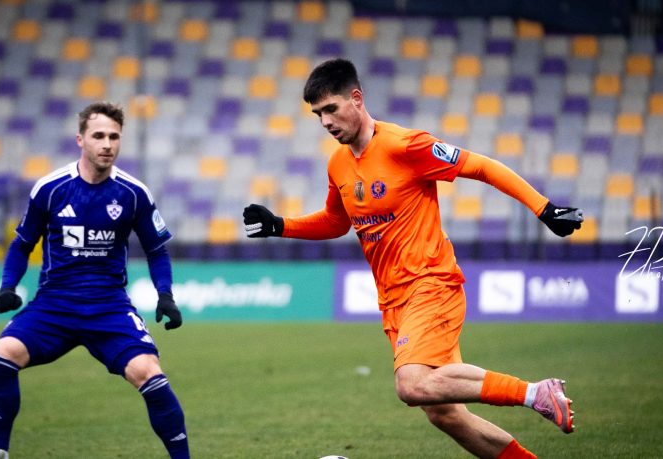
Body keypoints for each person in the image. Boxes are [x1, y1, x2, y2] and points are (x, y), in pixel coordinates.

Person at [243, 59, 583, 459]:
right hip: (394, 301)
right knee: (444, 413)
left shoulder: (406, 145)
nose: (325, 122)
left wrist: (544, 208)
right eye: (318, 114)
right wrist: (280, 225)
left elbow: (481, 166)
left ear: (356, 99)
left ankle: (534, 393)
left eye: (331, 109)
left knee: (411, 385)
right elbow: (337, 221)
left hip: (430, 282)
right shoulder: (338, 164)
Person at [0, 102, 189, 459]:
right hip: (54, 304)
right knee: (4, 353)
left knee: (148, 372)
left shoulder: (133, 193)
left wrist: (165, 295)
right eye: (98, 136)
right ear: (81, 139)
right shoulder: (50, 188)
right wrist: (8, 287)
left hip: (108, 306)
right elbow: (22, 244)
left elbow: (157, 250)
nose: (107, 144)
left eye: (114, 137)